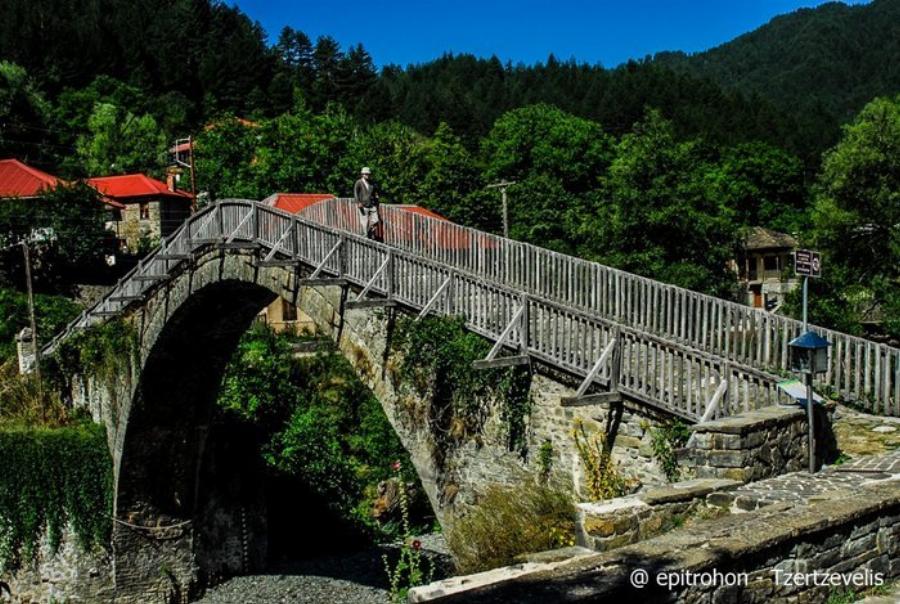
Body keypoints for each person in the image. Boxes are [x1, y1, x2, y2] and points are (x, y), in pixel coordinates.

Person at [354, 166, 381, 240]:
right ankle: (366, 236)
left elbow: (375, 192)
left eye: (368, 174)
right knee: (364, 222)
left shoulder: (372, 183)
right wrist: (358, 202)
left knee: (376, 220)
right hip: (363, 205)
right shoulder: (359, 182)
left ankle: (369, 232)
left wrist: (376, 197)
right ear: (362, 174)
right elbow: (355, 193)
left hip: (372, 204)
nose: (367, 175)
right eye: (366, 174)